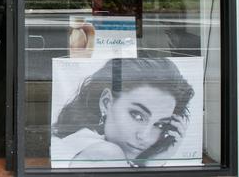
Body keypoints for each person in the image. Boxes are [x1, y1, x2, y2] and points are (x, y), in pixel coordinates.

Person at [50, 58, 195, 168]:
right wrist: (151, 166)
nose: (144, 136)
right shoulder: (107, 153)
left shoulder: (80, 139)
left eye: (160, 125)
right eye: (137, 116)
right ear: (106, 102)